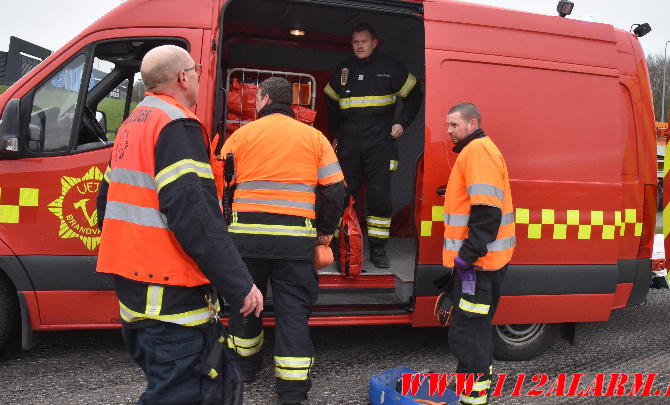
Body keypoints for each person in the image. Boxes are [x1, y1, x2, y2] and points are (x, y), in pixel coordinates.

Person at [96, 44, 264, 405]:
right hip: (171, 302)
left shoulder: (133, 125)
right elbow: (196, 217)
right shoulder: (176, 125)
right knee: (186, 393)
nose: (201, 77)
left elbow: (105, 205)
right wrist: (240, 284)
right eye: (198, 70)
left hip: (136, 295)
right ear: (183, 76)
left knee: (216, 385)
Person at [220, 77, 345, 405]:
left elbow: (223, 189)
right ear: (290, 103)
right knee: (293, 312)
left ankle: (245, 370)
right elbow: (334, 191)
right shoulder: (315, 139)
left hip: (245, 241)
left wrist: (229, 224)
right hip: (295, 244)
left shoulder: (240, 136)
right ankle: (291, 391)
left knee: (246, 305)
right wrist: (325, 232)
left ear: (261, 99)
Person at [323, 23, 422, 268]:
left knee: (379, 196)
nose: (359, 46)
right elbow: (330, 99)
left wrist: (402, 123)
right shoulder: (343, 69)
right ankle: (338, 246)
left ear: (374, 43)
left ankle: (378, 249)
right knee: (343, 194)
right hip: (349, 144)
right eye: (355, 42)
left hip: (380, 144)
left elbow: (414, 95)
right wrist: (336, 133)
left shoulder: (390, 68)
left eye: (364, 41)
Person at [442, 102, 515, 405]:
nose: (448, 131)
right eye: (447, 125)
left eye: (454, 125)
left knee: (468, 331)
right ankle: (471, 391)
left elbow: (486, 212)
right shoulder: (479, 150)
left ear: (472, 124)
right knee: (476, 330)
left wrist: (466, 257)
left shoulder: (477, 152)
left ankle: (472, 398)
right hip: (482, 265)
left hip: (478, 266)